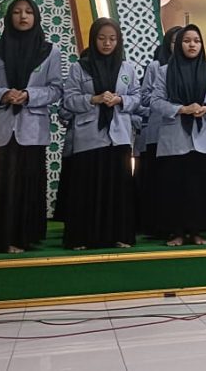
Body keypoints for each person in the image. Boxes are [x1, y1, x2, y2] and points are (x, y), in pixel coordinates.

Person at [0, 0, 63, 255]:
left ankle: (20, 237)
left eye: (28, 11)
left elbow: (55, 89)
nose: (22, 16)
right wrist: (2, 94)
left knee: (24, 184)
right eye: (17, 12)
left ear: (35, 17)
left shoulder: (50, 51)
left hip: (30, 128)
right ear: (9, 17)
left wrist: (29, 95)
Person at [61, 18, 140, 250]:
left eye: (112, 39)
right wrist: (93, 99)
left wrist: (121, 99)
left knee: (118, 188)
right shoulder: (80, 68)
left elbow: (137, 97)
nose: (107, 43)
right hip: (89, 135)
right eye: (102, 38)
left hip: (119, 135)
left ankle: (118, 235)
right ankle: (83, 237)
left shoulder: (127, 68)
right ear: (93, 39)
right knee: (87, 188)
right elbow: (68, 99)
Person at [151, 25, 206, 246]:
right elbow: (155, 101)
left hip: (204, 137)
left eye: (196, 41)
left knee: (200, 188)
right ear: (179, 44)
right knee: (175, 188)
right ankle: (176, 232)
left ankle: (196, 231)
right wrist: (181, 109)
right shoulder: (165, 71)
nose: (192, 45)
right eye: (187, 41)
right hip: (174, 138)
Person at [133, 25, 181, 235]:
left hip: (180, 130)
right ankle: (153, 224)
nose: (178, 45)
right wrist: (164, 99)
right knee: (157, 179)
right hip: (158, 128)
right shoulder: (156, 66)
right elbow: (144, 97)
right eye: (175, 41)